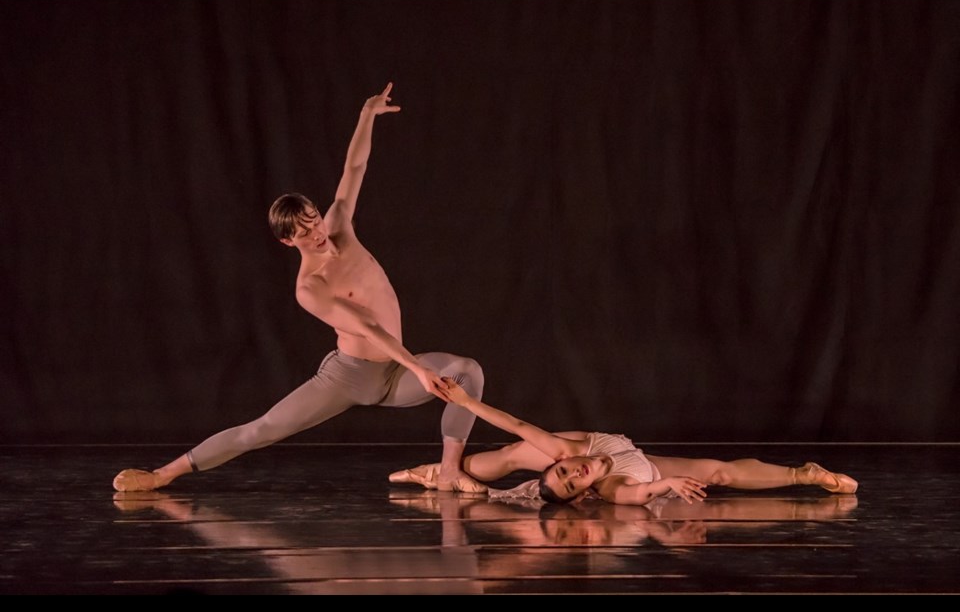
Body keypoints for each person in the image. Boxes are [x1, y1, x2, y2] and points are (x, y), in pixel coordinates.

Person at [113, 83, 486, 494]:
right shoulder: (311, 287)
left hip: (395, 373)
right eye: (304, 232)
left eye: (314, 220)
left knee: (466, 371)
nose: (317, 232)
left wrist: (367, 115)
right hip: (350, 376)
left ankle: (449, 470)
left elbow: (354, 169)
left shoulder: (340, 227)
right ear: (287, 242)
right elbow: (368, 327)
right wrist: (420, 366)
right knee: (263, 429)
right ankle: (161, 475)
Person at [390, 379, 858, 505]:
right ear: (586, 493)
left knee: (521, 446)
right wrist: (666, 485)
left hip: (594, 440)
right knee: (719, 473)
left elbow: (515, 423)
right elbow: (635, 495)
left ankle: (802, 470)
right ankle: (806, 476)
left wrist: (467, 400)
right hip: (642, 466)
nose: (574, 474)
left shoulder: (571, 456)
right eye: (573, 482)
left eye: (563, 473)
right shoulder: (610, 488)